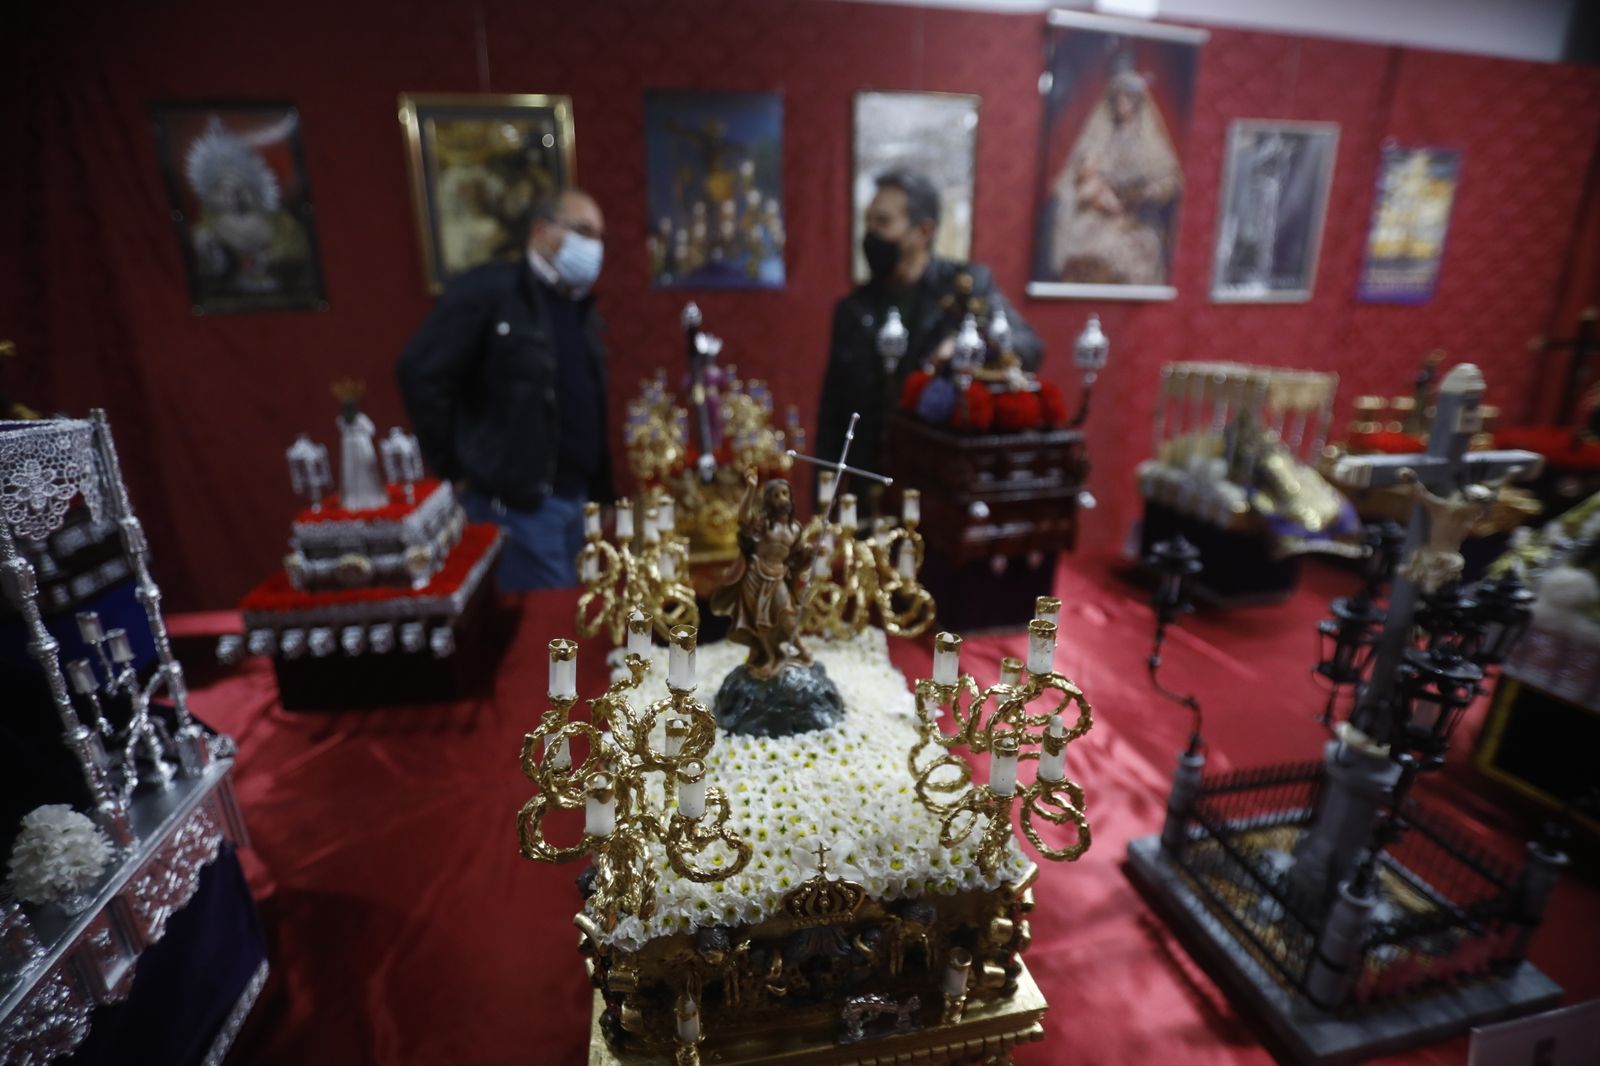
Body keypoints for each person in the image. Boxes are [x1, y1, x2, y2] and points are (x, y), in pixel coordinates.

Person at [396, 188, 612, 591]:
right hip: (519, 508)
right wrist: (457, 469)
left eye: (599, 236)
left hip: (578, 503)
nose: (593, 246)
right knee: (549, 624)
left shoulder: (578, 306)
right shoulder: (490, 291)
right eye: (583, 231)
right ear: (540, 231)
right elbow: (421, 372)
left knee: (581, 617)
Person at [817, 168, 1041, 493]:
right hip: (871, 481)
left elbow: (1028, 347)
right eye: (869, 222)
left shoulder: (968, 287)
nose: (871, 234)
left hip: (939, 480)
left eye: (883, 222)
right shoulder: (852, 310)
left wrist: (968, 344)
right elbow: (832, 415)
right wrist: (825, 497)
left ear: (923, 231)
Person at [1047, 68, 1182, 285]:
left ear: (1136, 102)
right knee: (1082, 235)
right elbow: (1082, 171)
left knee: (1141, 246)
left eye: (1126, 98)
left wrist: (1147, 193)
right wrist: (1096, 189)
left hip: (1137, 215)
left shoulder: (1149, 141)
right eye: (1117, 98)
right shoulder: (1102, 134)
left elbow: (1169, 179)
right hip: (1101, 210)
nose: (1121, 104)